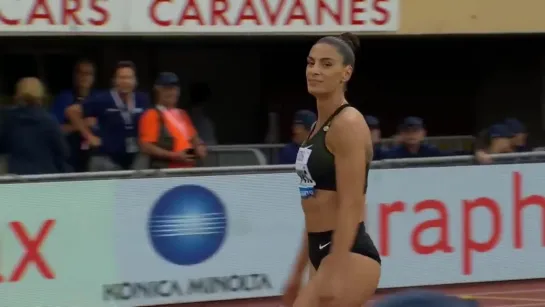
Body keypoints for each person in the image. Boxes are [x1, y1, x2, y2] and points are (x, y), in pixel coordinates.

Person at [283, 33, 381, 307]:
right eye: (311, 62)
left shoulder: (348, 124)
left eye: (326, 64)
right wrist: (297, 272)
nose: (314, 70)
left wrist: (335, 271)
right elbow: (313, 206)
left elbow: (352, 204)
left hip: (348, 253)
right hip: (321, 250)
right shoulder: (315, 129)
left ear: (345, 73)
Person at [65, 61, 150, 171]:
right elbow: (71, 111)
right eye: (121, 78)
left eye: (129, 78)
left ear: (135, 81)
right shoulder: (103, 99)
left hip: (135, 158)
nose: (125, 81)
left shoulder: (142, 99)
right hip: (107, 159)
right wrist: (88, 136)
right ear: (114, 81)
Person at [0, 77, 70, 174]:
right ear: (40, 95)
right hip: (45, 177)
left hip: (17, 178)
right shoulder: (48, 121)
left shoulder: (7, 119)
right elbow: (63, 151)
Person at [138, 72, 206, 168]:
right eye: (167, 89)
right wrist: (174, 156)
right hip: (168, 174)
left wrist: (200, 146)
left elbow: (195, 138)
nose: (172, 93)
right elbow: (146, 146)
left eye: (175, 89)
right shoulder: (151, 115)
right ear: (158, 90)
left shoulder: (182, 114)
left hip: (189, 170)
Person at [50, 59, 98, 172]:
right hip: (69, 157)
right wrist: (81, 125)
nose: (84, 77)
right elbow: (55, 130)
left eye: (88, 73)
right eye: (80, 73)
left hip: (95, 157)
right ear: (74, 76)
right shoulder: (64, 98)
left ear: (93, 77)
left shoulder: (99, 98)